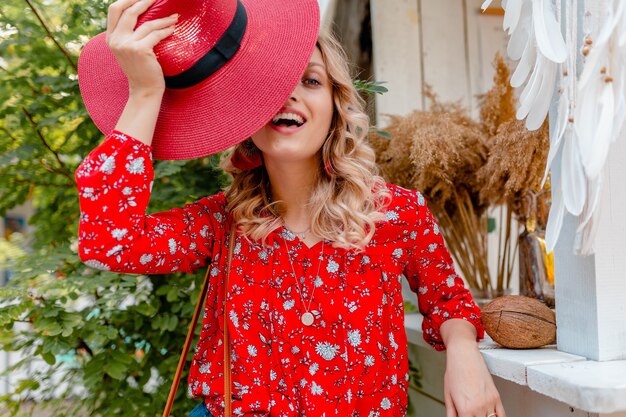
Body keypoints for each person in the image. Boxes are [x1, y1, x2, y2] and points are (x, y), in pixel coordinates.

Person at [75, 0, 506, 416]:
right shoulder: (222, 223)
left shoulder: (397, 214)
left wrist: (464, 353)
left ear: (337, 108)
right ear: (246, 116)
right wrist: (147, 91)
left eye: (312, 82)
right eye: (270, 87)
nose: (289, 96)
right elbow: (109, 241)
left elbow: (450, 303)